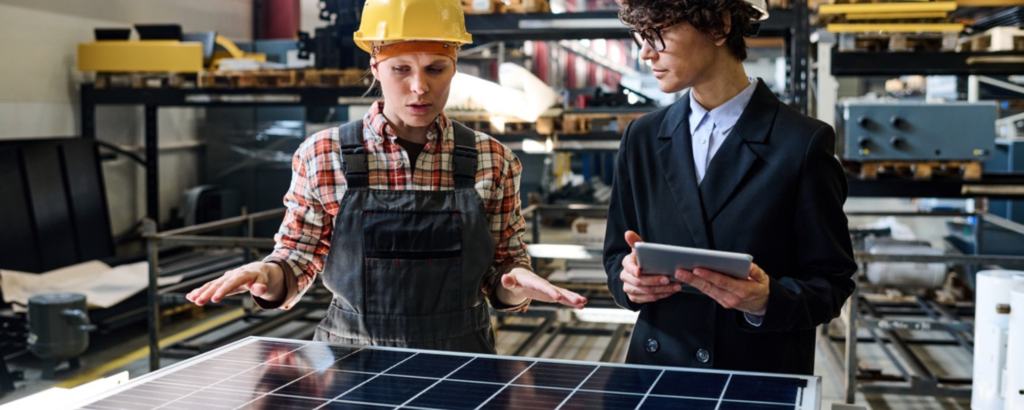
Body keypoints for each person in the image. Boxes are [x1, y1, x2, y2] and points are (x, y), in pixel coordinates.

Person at [187, 0, 586, 353]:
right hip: (351, 361)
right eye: (401, 69)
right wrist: (267, 276)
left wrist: (515, 284)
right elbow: (297, 258)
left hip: (462, 361)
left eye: (435, 68)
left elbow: (505, 270)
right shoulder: (323, 155)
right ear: (375, 67)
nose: (419, 87)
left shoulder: (492, 160)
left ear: (455, 67)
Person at [604, 0, 857, 375]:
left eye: (657, 34)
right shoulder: (642, 138)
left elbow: (831, 284)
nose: (644, 54)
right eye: (640, 37)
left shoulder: (801, 144)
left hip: (754, 377)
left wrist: (766, 300)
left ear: (719, 25)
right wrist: (628, 283)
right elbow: (614, 258)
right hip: (659, 372)